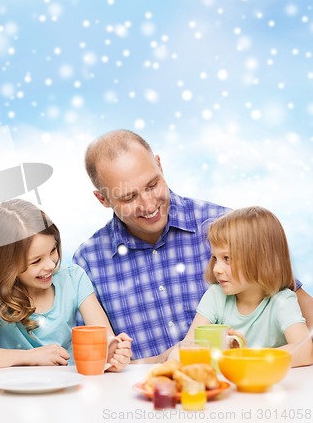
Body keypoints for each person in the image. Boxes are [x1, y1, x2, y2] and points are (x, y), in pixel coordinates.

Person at [73, 129, 313, 362]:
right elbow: (93, 362)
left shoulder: (225, 228)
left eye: (152, 185)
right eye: (129, 197)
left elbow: (296, 306)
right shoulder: (88, 262)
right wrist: (158, 362)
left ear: (160, 165)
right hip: (141, 396)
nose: (148, 205)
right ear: (102, 198)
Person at [0, 198, 132, 371]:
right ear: (7, 265)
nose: (50, 265)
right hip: (16, 394)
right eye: (36, 261)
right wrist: (30, 357)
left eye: (53, 250)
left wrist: (112, 355)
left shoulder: (73, 279)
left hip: (70, 389)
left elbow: (104, 339)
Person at [178, 206, 312, 368]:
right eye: (215, 258)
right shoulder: (215, 295)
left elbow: (305, 351)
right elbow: (188, 347)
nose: (216, 269)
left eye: (227, 258)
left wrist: (246, 357)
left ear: (261, 260)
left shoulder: (282, 301)